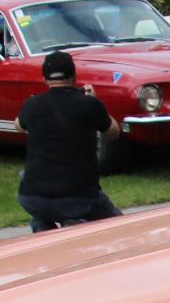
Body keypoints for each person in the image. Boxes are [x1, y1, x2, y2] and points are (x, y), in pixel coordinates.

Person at [14, 51, 121, 234]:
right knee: (119, 226)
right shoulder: (88, 104)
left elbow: (18, 125)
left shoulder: (32, 105)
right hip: (78, 197)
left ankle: (42, 227)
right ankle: (73, 222)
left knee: (34, 196)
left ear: (44, 79)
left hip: (32, 197)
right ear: (74, 76)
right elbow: (114, 132)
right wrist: (95, 102)